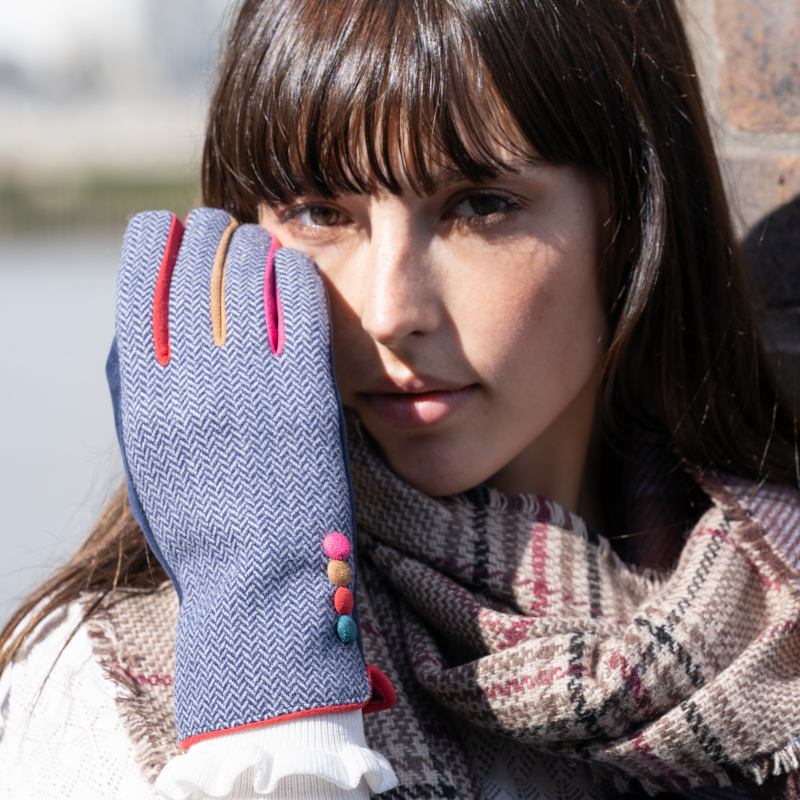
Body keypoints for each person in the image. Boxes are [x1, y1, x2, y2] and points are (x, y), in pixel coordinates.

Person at [2, 0, 800, 798]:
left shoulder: (773, 604)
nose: (390, 312)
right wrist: (276, 719)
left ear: (634, 212)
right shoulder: (101, 693)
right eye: (320, 214)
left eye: (479, 205)